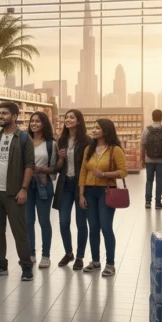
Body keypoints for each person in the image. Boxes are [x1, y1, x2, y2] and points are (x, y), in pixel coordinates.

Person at [0, 102, 34, 281]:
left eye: (4, 113)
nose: (0, 116)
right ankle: (0, 264)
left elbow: (29, 165)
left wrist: (24, 189)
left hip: (14, 192)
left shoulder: (24, 138)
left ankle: (26, 265)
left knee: (20, 232)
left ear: (15, 116)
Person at [78, 118, 128, 277]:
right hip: (89, 193)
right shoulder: (89, 149)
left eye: (97, 128)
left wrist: (104, 174)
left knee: (106, 227)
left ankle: (110, 264)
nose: (93, 130)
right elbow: (83, 172)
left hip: (106, 191)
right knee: (93, 227)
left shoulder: (115, 150)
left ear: (105, 131)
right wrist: (81, 194)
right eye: (93, 127)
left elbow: (123, 171)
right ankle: (95, 261)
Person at [53, 110, 93, 270]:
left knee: (81, 223)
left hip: (81, 185)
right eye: (66, 117)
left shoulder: (87, 141)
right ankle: (68, 252)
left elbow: (89, 166)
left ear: (78, 121)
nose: (68, 120)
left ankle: (80, 256)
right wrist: (61, 158)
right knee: (63, 222)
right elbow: (56, 167)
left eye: (71, 117)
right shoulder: (60, 140)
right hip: (65, 185)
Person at [25, 112, 58, 269]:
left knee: (44, 221)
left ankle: (46, 255)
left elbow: (54, 168)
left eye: (37, 121)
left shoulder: (51, 144)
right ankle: (31, 253)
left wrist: (41, 169)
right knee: (28, 221)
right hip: (26, 184)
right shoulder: (24, 141)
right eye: (32, 121)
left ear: (44, 123)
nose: (34, 123)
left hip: (43, 184)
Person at [142, 109, 162, 209]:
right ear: (161, 117)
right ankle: (158, 203)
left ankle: (148, 202)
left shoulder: (147, 130)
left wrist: (142, 158)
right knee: (159, 180)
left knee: (149, 180)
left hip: (149, 159)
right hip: (161, 160)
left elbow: (142, 145)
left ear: (152, 117)